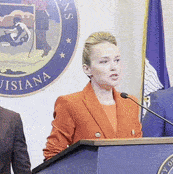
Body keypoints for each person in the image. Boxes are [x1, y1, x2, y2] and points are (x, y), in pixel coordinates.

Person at [43, 31, 142, 159]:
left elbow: (139, 151)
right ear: (87, 69)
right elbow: (53, 154)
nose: (114, 67)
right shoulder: (70, 104)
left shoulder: (131, 103)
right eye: (104, 62)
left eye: (117, 60)